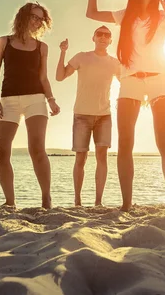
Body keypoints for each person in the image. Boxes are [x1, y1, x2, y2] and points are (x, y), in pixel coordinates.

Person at [86, 0, 165, 213]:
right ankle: (127, 204)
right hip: (130, 79)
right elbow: (91, 13)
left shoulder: (163, 16)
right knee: (125, 142)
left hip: (159, 80)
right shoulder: (124, 14)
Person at [0, 2, 60, 209]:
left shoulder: (42, 47)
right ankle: (10, 202)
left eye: (41, 19)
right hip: (8, 100)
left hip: (36, 99)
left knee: (37, 149)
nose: (37, 22)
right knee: (2, 152)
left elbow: (43, 78)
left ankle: (46, 199)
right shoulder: (4, 41)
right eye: (34, 17)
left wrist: (51, 99)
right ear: (23, 16)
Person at [55, 26, 120, 207]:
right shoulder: (82, 57)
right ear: (93, 37)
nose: (103, 37)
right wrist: (62, 52)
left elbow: (127, 81)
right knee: (80, 158)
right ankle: (77, 201)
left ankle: (98, 202)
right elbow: (59, 77)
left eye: (107, 35)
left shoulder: (115, 63)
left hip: (104, 116)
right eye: (99, 33)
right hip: (82, 115)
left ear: (110, 40)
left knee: (102, 157)